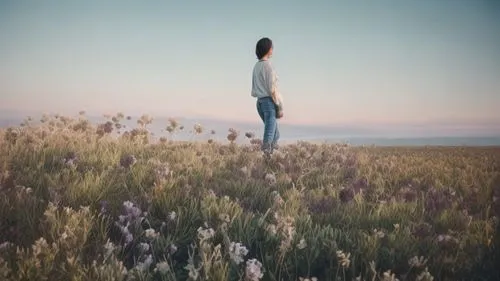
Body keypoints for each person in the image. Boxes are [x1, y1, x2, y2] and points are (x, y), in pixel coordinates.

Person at [251, 37, 284, 157]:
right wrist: (279, 106)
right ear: (268, 49)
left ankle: (274, 157)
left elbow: (254, 89)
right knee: (269, 135)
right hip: (269, 102)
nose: (273, 49)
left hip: (259, 102)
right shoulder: (268, 66)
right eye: (272, 47)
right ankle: (267, 157)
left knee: (276, 134)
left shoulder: (256, 66)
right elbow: (272, 89)